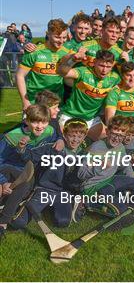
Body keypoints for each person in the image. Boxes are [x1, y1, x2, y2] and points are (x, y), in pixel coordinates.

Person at [18, 117, 89, 228]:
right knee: (19, 222)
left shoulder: (83, 155)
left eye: (79, 136)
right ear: (64, 135)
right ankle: (37, 202)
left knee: (63, 222)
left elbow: (79, 179)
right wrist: (22, 148)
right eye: (72, 136)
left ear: (84, 137)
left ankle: (53, 207)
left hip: (63, 193)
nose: (75, 140)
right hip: (45, 189)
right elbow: (31, 156)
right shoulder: (54, 147)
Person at [0, 105, 58, 238]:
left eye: (43, 122)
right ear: (26, 121)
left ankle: (3, 222)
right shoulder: (12, 136)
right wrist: (3, 182)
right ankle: (3, 223)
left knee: (26, 181)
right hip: (5, 168)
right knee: (23, 183)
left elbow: (55, 136)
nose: (39, 126)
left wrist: (59, 139)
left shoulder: (49, 131)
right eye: (35, 121)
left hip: (26, 171)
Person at [77, 116, 134, 226]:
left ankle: (120, 199)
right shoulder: (96, 148)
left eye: (121, 135)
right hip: (94, 186)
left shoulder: (120, 147)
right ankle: (87, 203)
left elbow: (126, 166)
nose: (116, 138)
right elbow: (81, 174)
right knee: (123, 211)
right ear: (107, 131)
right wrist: (98, 167)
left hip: (110, 180)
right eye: (114, 134)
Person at [57, 49, 120, 140]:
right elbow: (61, 72)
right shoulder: (83, 72)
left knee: (108, 140)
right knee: (61, 142)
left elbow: (129, 84)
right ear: (94, 62)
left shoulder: (114, 78)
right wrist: (73, 60)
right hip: (69, 115)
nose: (104, 70)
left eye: (108, 67)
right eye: (101, 65)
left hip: (91, 119)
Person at [16, 19, 71, 110]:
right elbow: (20, 76)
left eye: (64, 37)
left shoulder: (67, 53)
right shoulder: (33, 52)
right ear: (48, 34)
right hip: (34, 102)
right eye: (57, 37)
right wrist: (25, 102)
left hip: (56, 104)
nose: (61, 41)